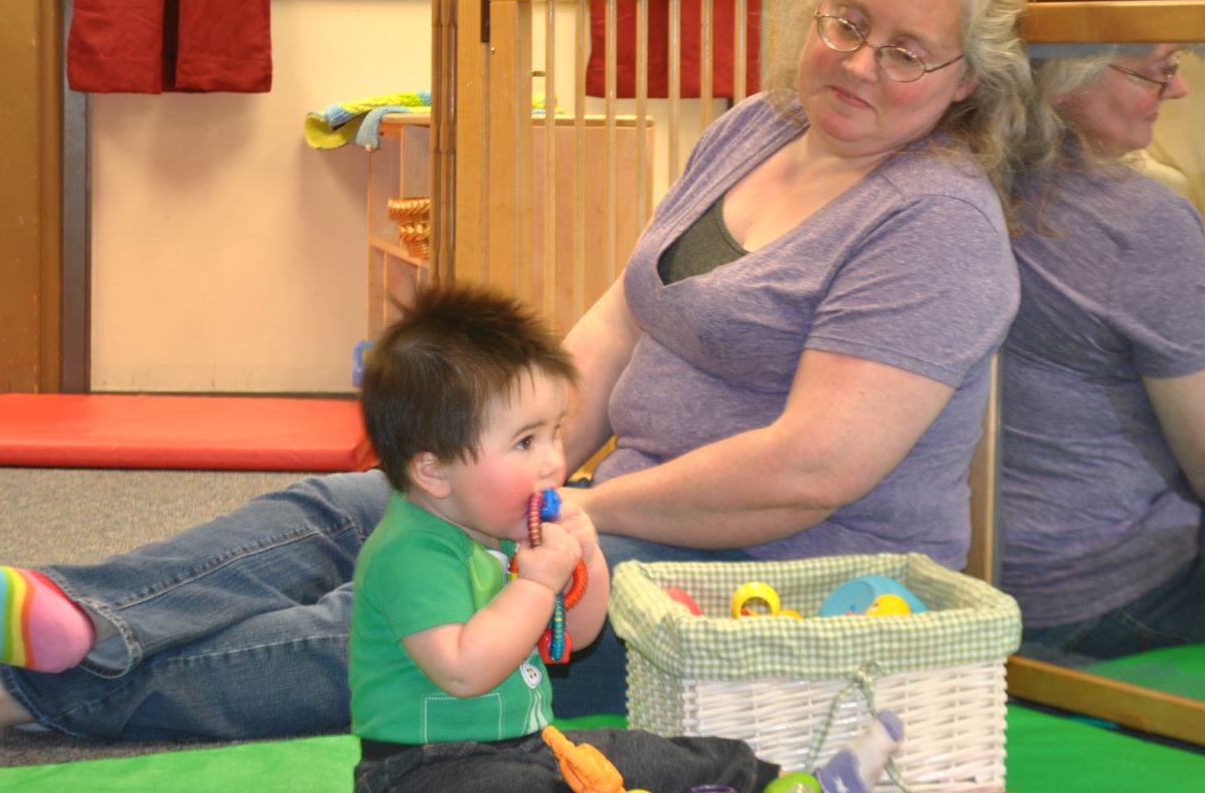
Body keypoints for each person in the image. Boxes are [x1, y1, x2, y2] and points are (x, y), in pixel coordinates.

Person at [0, 0, 1030, 741]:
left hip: (767, 576)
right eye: (847, 24)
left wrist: (572, 508)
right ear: (816, 12)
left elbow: (808, 470)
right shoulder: (757, 126)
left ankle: (17, 691)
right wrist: (504, 455)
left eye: (909, 52)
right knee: (339, 506)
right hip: (614, 504)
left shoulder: (936, 223)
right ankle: (74, 611)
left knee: (408, 607)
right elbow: (624, 310)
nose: (861, 64)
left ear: (967, 80)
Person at [346, 283, 898, 793]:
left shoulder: (499, 524)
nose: (553, 461)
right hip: (426, 770)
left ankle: (805, 783)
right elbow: (464, 670)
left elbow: (578, 638)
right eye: (523, 443)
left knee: (660, 755)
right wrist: (537, 583)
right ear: (434, 471)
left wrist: (586, 555)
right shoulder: (411, 554)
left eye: (553, 433)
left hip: (530, 745)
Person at [999, 45, 1205, 665]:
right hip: (1089, 596)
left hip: (973, 557)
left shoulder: (957, 173)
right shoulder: (1139, 221)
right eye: (1158, 72)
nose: (1180, 89)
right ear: (1067, 82)